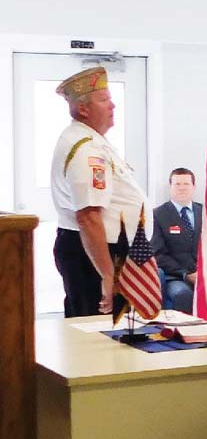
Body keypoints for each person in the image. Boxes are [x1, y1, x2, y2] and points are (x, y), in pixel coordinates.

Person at [50, 66, 150, 317]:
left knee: (112, 328)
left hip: (103, 249)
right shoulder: (86, 149)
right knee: (97, 331)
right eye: (104, 100)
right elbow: (88, 216)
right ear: (83, 109)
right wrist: (107, 274)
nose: (112, 105)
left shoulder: (94, 141)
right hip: (95, 254)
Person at [150, 168, 201, 313]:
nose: (182, 188)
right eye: (177, 184)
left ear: (194, 187)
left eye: (186, 184)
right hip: (175, 277)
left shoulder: (205, 213)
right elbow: (158, 254)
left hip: (205, 276)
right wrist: (186, 274)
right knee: (182, 294)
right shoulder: (157, 215)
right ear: (170, 187)